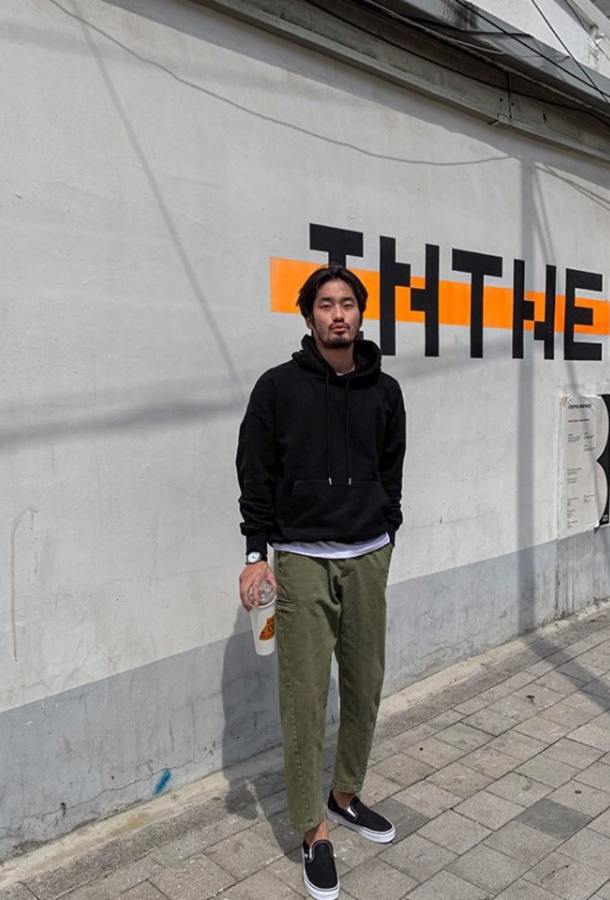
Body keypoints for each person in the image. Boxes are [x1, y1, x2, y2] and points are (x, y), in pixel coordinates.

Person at [236, 265, 406, 900]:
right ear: (308, 316)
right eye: (327, 304)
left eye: (349, 304)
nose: (339, 314)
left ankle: (344, 795)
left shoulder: (385, 390)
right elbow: (255, 471)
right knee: (305, 698)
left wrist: (387, 529)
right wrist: (256, 553)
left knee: (365, 686)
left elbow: (391, 468)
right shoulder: (277, 388)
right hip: (302, 559)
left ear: (361, 313)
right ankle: (313, 829)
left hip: (368, 556)